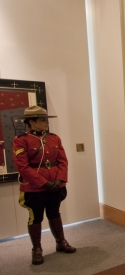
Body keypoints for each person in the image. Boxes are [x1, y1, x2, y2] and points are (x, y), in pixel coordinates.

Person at [13, 106, 75, 265]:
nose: (47, 122)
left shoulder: (54, 138)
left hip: (55, 184)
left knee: (55, 213)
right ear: (31, 122)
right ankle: (37, 249)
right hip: (34, 187)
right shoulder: (21, 140)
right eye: (43, 120)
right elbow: (23, 167)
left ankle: (61, 242)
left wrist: (60, 180)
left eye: (47, 119)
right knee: (36, 217)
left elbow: (63, 161)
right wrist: (43, 183)